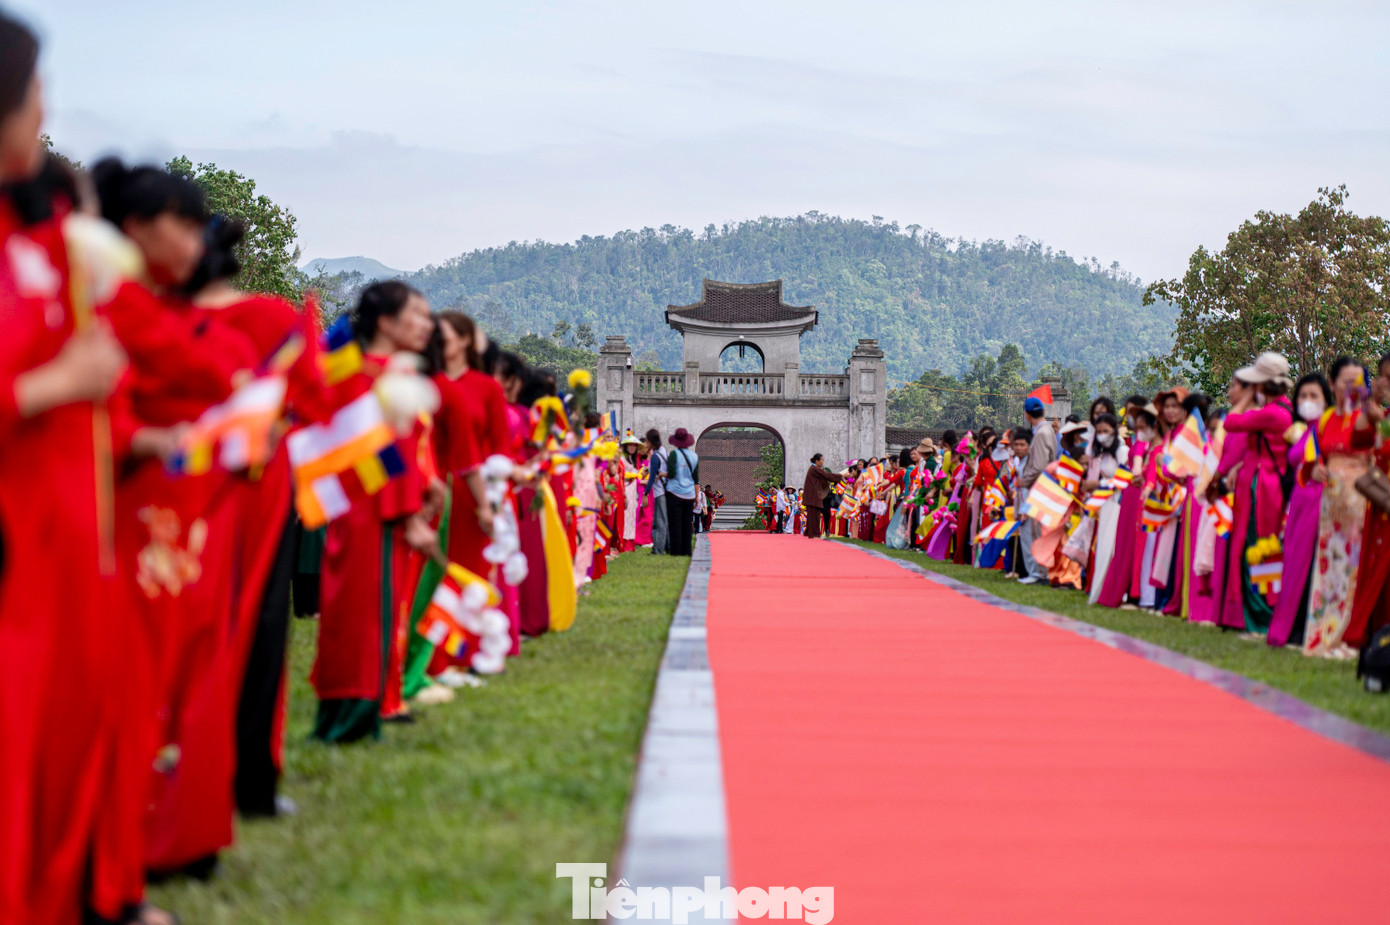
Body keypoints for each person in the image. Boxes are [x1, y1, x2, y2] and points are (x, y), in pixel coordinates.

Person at [310, 281, 441, 744]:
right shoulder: (364, 376)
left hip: (392, 510)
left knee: (384, 609)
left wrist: (426, 490)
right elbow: (375, 456)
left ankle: (376, 702)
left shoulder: (394, 373)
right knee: (362, 611)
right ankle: (351, 713)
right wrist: (407, 515)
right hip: (370, 514)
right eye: (416, 315)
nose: (427, 325)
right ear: (385, 322)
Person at [1302, 357, 1374, 656]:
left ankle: (1350, 637)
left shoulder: (1371, 417)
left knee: (1355, 568)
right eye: (1346, 381)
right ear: (1332, 384)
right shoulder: (1325, 419)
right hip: (1330, 504)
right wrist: (1315, 469)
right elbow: (1311, 461)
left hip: (1361, 499)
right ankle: (1323, 635)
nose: (1352, 387)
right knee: (1329, 568)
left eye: (1357, 381)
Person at [1220, 352, 1294, 634]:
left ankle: (1258, 613)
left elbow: (1231, 422)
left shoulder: (1270, 414)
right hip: (1267, 485)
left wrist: (1247, 397)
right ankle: (1259, 609)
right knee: (1265, 545)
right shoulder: (1285, 409)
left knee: (1254, 545)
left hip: (1259, 487)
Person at [1267, 372, 1331, 647]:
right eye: (1302, 396)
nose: (1307, 401)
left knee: (1308, 564)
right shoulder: (1302, 430)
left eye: (1313, 396)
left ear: (1326, 400)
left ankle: (1305, 627)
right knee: (1293, 564)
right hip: (1298, 504)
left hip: (1318, 503)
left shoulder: (1327, 429)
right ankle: (1291, 626)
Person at [1084, 413, 1129, 604]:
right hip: (1106, 500)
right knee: (1103, 544)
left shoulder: (1122, 450)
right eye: (1099, 431)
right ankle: (1101, 589)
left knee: (1114, 545)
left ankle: (1118, 590)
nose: (1102, 435)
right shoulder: (1103, 452)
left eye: (1106, 431)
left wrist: (1100, 485)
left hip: (1119, 501)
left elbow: (1125, 475)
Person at [1017, 395, 1056, 584]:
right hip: (1045, 486)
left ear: (1027, 415)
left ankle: (1040, 573)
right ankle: (1041, 572)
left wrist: (1025, 480)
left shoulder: (1041, 434)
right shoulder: (1047, 430)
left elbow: (1039, 465)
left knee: (1036, 532)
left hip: (1039, 486)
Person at [665, 427, 699, 555]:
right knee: (686, 523)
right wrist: (697, 497)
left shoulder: (674, 455)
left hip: (674, 492)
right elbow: (696, 479)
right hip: (689, 494)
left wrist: (663, 474)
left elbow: (671, 473)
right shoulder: (694, 457)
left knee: (675, 523)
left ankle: (676, 551)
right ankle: (687, 550)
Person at [802, 453, 843, 539]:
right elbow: (826, 475)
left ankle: (809, 532)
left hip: (812, 496)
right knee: (814, 516)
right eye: (822, 460)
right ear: (817, 461)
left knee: (813, 515)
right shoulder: (815, 469)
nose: (822, 462)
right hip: (813, 496)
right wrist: (841, 476)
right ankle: (814, 533)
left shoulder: (813, 469)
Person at [645, 428, 668, 554]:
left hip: (660, 492)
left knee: (660, 522)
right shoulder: (664, 452)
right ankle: (661, 547)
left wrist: (646, 492)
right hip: (665, 490)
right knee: (662, 521)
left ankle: (658, 549)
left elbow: (652, 476)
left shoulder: (655, 456)